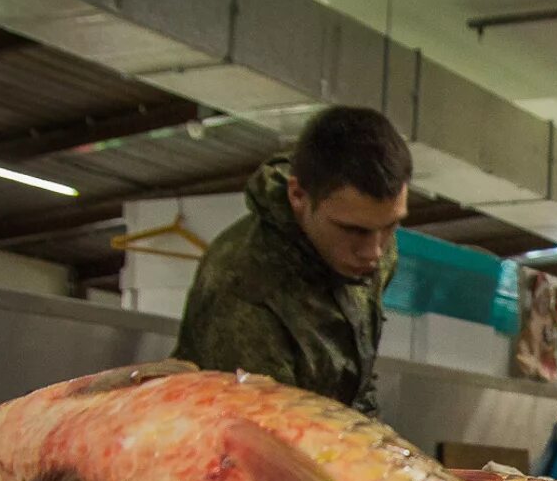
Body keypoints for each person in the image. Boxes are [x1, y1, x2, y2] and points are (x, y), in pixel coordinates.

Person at [174, 106, 410, 415]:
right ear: (298, 195)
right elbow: (259, 441)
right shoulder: (242, 289)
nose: (375, 252)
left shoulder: (370, 250)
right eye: (353, 230)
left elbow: (357, 382)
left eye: (390, 226)